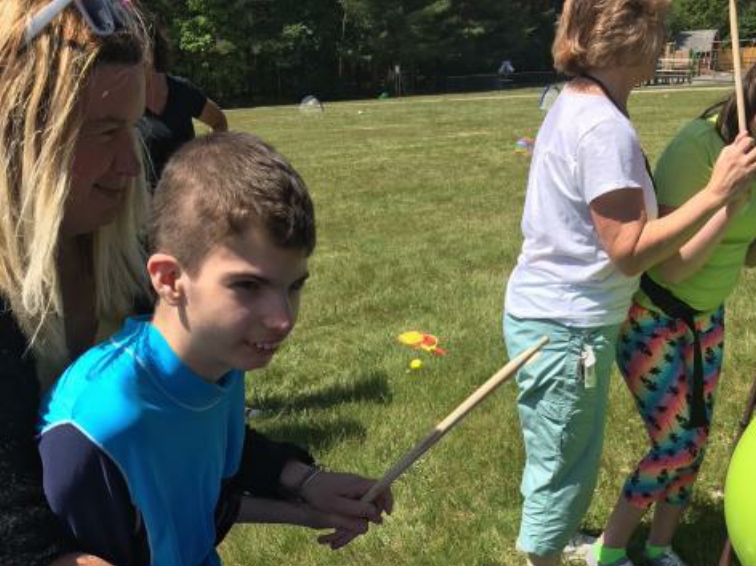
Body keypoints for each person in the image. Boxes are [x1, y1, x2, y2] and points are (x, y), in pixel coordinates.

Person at [0, 2, 387, 565]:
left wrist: (299, 482)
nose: (131, 165)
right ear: (25, 134)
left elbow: (178, 427)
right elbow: (14, 522)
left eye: (133, 128)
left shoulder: (128, 255)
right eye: (105, 131)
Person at [37, 131, 392, 565]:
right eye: (247, 285)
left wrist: (309, 506)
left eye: (293, 286)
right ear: (169, 280)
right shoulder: (99, 427)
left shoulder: (220, 363)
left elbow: (201, 509)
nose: (283, 319)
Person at [501, 2, 756, 566]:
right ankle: (546, 553)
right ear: (635, 38)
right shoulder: (601, 127)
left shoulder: (585, 106)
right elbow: (629, 252)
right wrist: (718, 195)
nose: (662, 42)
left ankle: (555, 541)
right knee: (561, 470)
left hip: (564, 323)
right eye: (658, 30)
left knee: (565, 463)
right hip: (563, 329)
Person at [590, 66, 756, 566]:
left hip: (707, 318)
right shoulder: (698, 148)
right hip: (655, 315)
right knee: (677, 443)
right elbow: (674, 267)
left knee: (695, 444)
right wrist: (727, 202)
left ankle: (661, 547)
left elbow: (745, 251)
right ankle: (609, 549)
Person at [138, 21, 228, 188]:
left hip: (184, 199)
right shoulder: (121, 102)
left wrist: (208, 164)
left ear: (153, 48)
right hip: (142, 206)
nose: (136, 57)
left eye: (140, 47)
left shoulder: (182, 91)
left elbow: (219, 122)